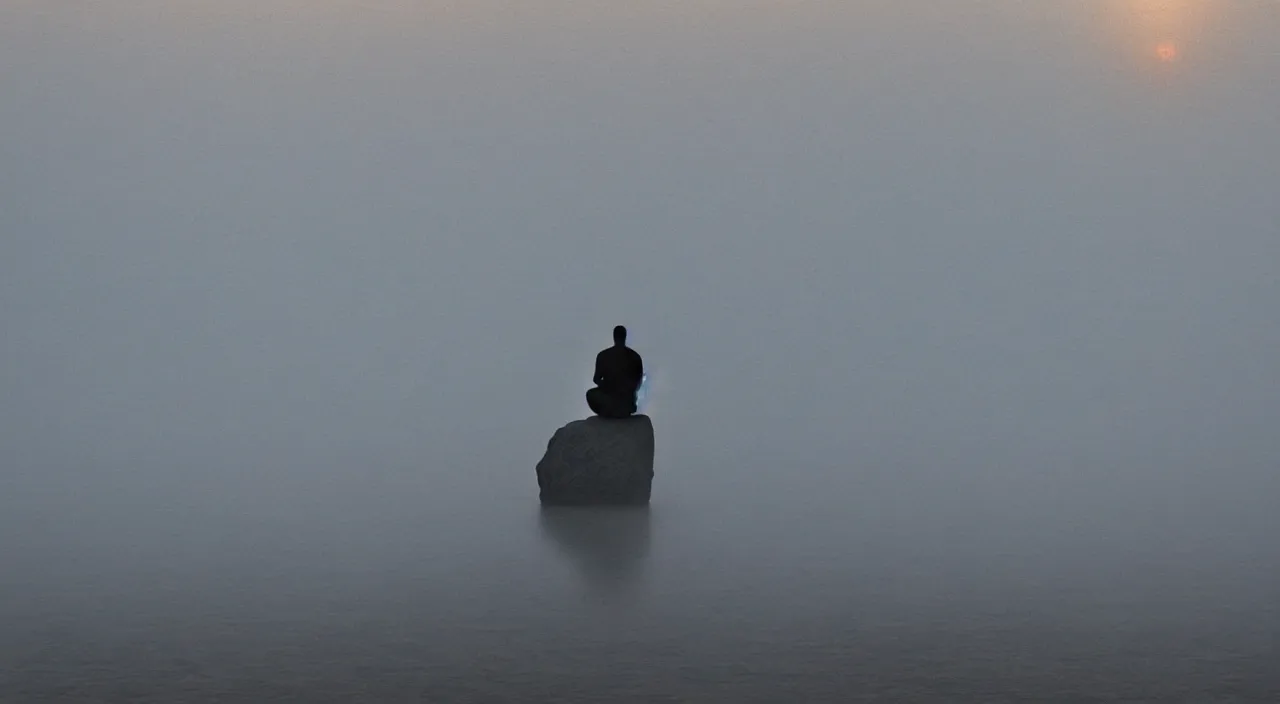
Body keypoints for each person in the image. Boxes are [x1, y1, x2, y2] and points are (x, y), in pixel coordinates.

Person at [586, 325, 644, 418]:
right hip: (623, 400)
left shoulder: (603, 355)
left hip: (616, 399)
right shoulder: (634, 356)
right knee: (592, 394)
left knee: (591, 394)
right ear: (625, 337)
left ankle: (610, 410)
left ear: (614, 337)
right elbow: (638, 382)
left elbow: (596, 379)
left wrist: (608, 386)